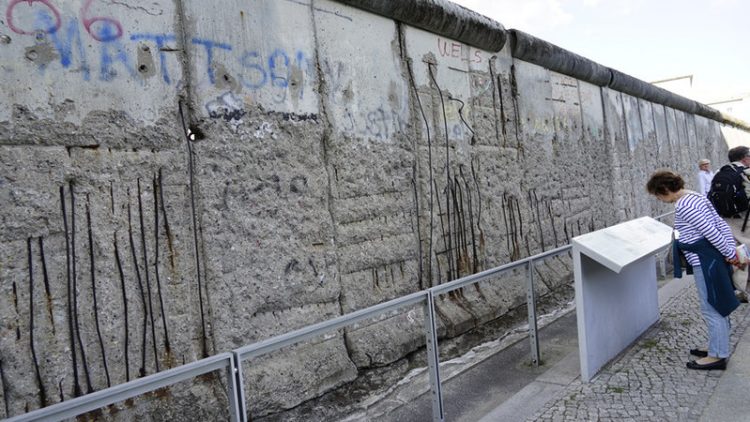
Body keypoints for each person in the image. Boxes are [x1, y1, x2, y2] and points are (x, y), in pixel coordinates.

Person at [647, 170, 740, 370]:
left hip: (705, 260)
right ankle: (716, 346)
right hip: (711, 258)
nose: (659, 199)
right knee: (717, 302)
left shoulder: (684, 205)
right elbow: (720, 225)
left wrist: (730, 253)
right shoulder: (696, 196)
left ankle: (718, 355)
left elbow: (710, 231)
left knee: (712, 307)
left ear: (665, 189)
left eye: (658, 195)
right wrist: (729, 248)